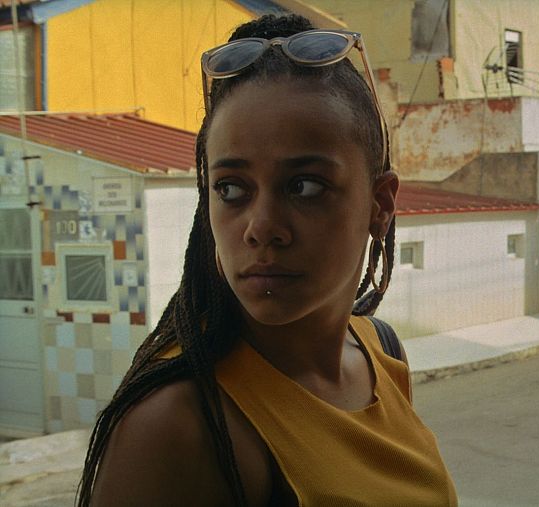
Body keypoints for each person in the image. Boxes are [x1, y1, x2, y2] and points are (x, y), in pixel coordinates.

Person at [77, 14, 456, 506]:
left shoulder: (380, 351)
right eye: (231, 189)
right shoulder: (182, 423)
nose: (260, 228)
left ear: (380, 205)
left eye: (305, 186)